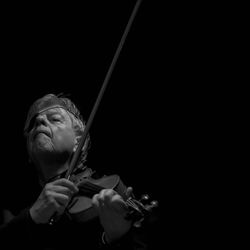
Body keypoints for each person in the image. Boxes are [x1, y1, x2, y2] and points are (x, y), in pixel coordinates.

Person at [0, 93, 157, 250]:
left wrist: (118, 238)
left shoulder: (110, 192)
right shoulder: (13, 206)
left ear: (78, 140)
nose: (39, 121)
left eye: (54, 119)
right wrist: (31, 217)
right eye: (33, 123)